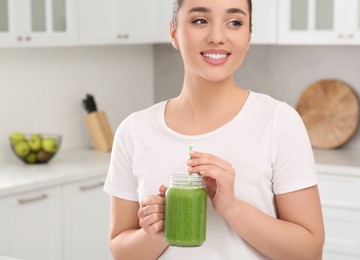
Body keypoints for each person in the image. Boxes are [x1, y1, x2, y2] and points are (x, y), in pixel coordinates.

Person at [103, 0, 325, 259]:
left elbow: (309, 252)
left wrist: (232, 208)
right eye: (200, 20)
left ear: (249, 35)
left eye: (234, 22)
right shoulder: (134, 131)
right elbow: (120, 251)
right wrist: (157, 231)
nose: (217, 37)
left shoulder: (279, 122)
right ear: (173, 32)